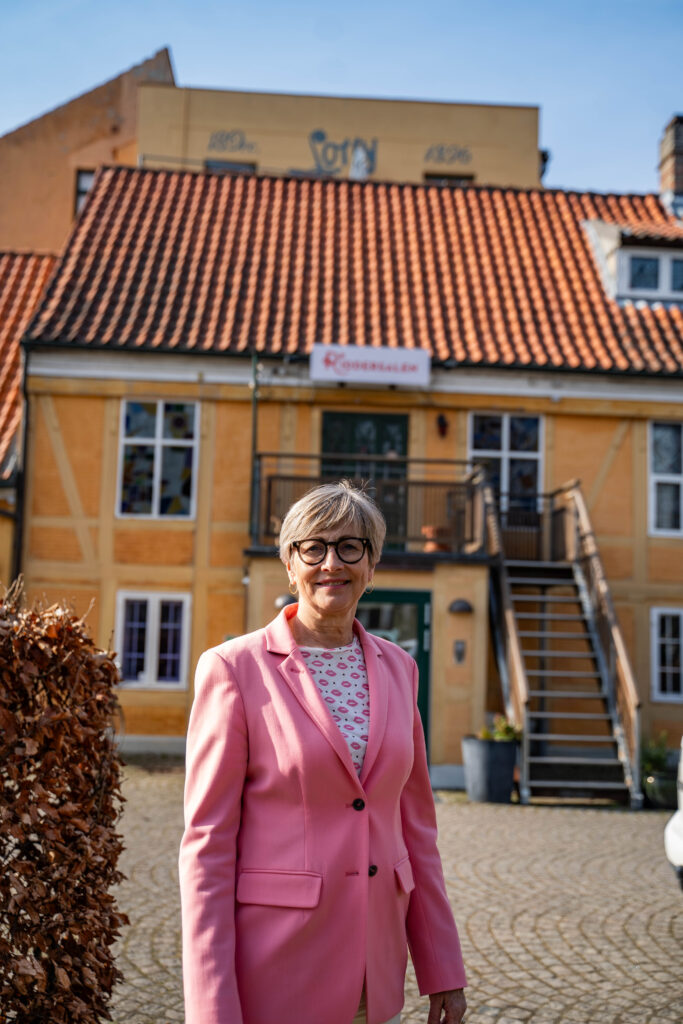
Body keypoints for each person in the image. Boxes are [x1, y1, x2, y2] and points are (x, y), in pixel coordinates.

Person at [179, 481, 467, 1024]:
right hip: (276, 968)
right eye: (313, 547)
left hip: (373, 970)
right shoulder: (234, 670)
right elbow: (207, 848)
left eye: (350, 547)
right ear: (290, 564)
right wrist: (211, 1010)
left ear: (372, 565)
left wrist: (442, 969)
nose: (331, 562)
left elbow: (415, 831)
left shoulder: (400, 668)